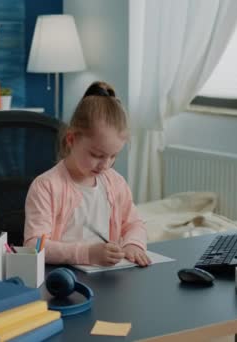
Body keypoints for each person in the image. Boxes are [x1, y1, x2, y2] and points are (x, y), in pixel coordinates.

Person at [24, 81, 150, 267]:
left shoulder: (116, 183)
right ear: (71, 139)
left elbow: (134, 224)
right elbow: (34, 245)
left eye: (113, 156)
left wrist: (133, 244)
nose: (105, 165)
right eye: (97, 155)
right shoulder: (46, 186)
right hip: (61, 278)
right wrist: (88, 254)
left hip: (107, 278)